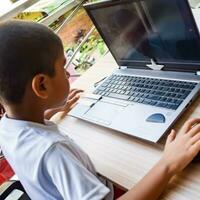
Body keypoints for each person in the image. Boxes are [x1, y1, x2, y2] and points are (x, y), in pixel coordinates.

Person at [0, 20, 200, 200]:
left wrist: (47, 110)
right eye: (63, 67)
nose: (68, 72)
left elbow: (27, 129)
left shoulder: (7, 126)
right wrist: (168, 164)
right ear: (42, 86)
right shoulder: (54, 152)